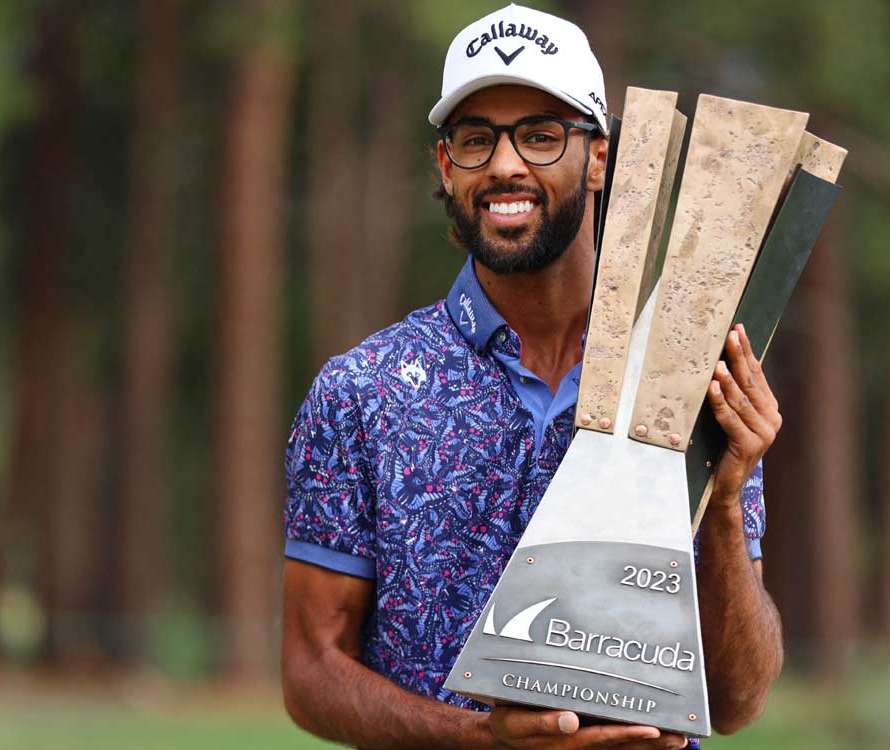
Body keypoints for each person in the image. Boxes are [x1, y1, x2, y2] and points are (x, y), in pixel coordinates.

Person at [280, 5, 783, 749]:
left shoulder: (684, 379)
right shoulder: (363, 393)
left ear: (602, 155)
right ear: (446, 167)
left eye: (541, 136)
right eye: (476, 139)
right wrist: (485, 741)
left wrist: (727, 491)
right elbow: (311, 671)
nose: (505, 165)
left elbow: (737, 701)